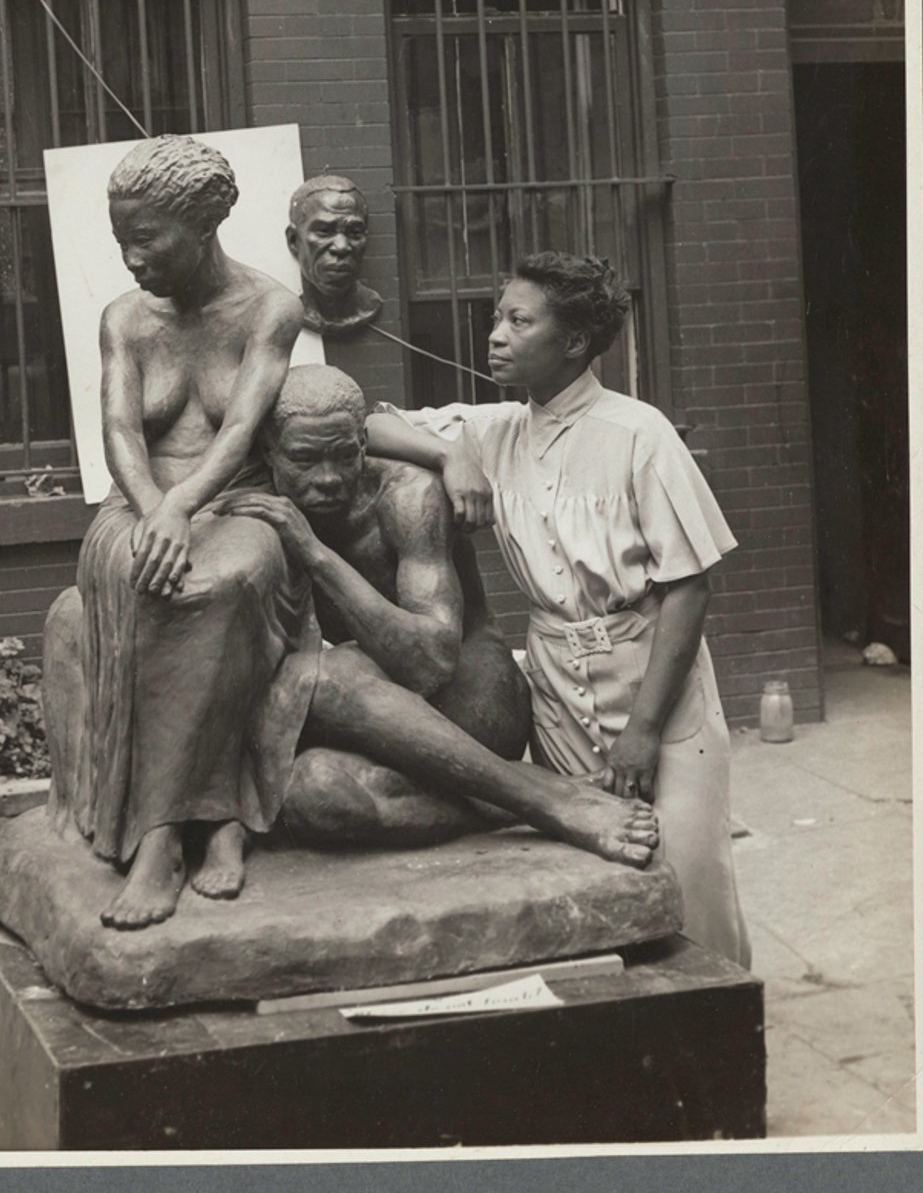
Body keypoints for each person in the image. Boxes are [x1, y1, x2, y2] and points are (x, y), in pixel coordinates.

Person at [366, 252, 751, 967]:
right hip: (556, 681)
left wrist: (643, 729)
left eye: (519, 320)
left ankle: (708, 1036)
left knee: (689, 879)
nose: (496, 335)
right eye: (496, 318)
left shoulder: (639, 433)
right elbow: (364, 425)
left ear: (573, 341)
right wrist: (449, 457)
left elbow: (690, 587)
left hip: (654, 677)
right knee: (596, 874)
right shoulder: (494, 429)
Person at [216, 364, 662, 866]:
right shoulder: (258, 498)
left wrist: (314, 554)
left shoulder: (407, 496)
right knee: (312, 795)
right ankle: (534, 796)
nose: (329, 478)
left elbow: (430, 661)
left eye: (344, 456)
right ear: (268, 453)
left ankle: (549, 804)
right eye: (304, 459)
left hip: (473, 698)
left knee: (324, 676)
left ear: (363, 445)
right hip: (379, 706)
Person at [72, 135, 313, 931]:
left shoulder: (270, 307)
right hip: (136, 504)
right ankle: (181, 834)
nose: (132, 258)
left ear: (203, 225)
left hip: (235, 503)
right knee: (150, 577)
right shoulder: (124, 319)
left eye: (147, 240)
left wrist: (187, 508)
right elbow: (118, 430)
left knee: (225, 582)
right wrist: (156, 510)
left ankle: (201, 824)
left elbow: (243, 428)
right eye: (121, 241)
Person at [286, 175, 383, 337]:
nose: (342, 247)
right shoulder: (283, 312)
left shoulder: (370, 305)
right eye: (324, 231)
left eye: (354, 232)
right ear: (294, 240)